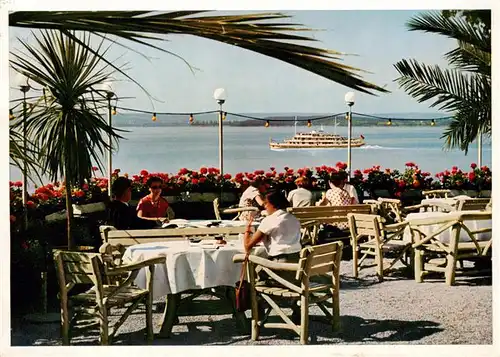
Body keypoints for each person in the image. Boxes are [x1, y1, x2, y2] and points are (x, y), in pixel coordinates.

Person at [243, 190, 302, 322]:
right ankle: (296, 308)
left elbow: (248, 246)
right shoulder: (294, 219)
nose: (264, 206)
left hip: (281, 268)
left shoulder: (270, 220)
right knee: (262, 264)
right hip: (298, 268)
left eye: (265, 204)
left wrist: (247, 229)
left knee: (254, 275)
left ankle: (258, 314)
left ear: (273, 205)